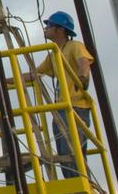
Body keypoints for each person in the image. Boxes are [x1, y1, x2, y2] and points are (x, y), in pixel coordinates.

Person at [25, 11, 95, 178]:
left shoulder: (74, 46)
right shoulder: (54, 53)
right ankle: (76, 185)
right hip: (61, 109)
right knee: (65, 155)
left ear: (60, 29)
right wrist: (4, 81)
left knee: (71, 153)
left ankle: (81, 185)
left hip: (75, 108)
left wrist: (83, 77)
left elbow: (83, 62)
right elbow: (35, 74)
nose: (46, 28)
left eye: (49, 25)